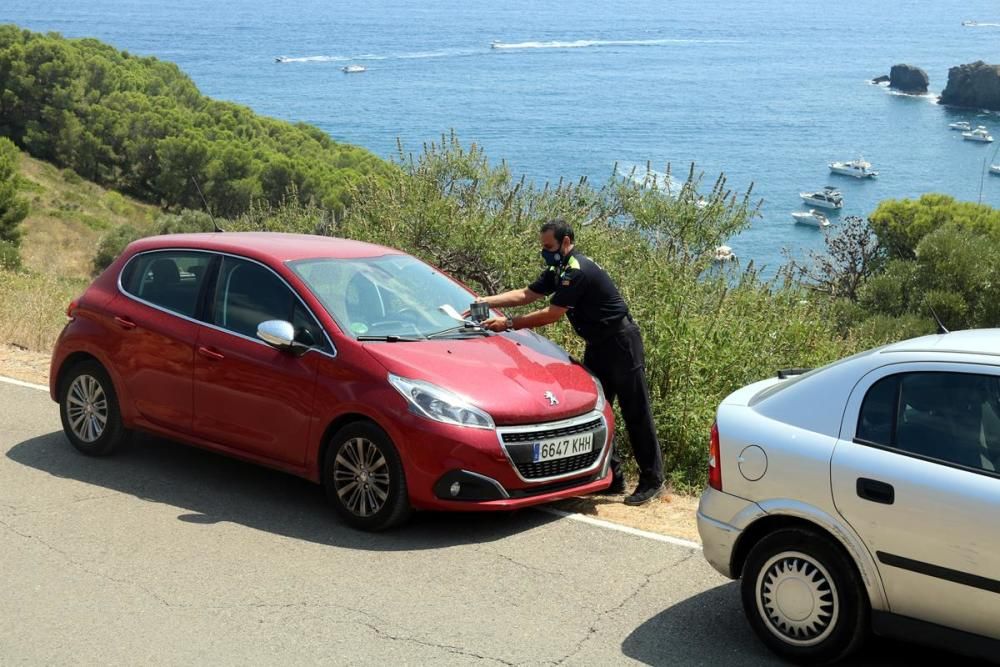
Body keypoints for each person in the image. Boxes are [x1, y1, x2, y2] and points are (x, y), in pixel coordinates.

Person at [476, 219, 665, 505]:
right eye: (543, 247)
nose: (545, 252)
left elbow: (553, 313)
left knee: (635, 411)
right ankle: (613, 477)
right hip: (598, 345)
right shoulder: (559, 268)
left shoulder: (577, 270)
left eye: (549, 246)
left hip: (620, 343)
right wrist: (484, 300)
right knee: (599, 410)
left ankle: (653, 480)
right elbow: (528, 294)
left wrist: (509, 324)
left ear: (566, 242)